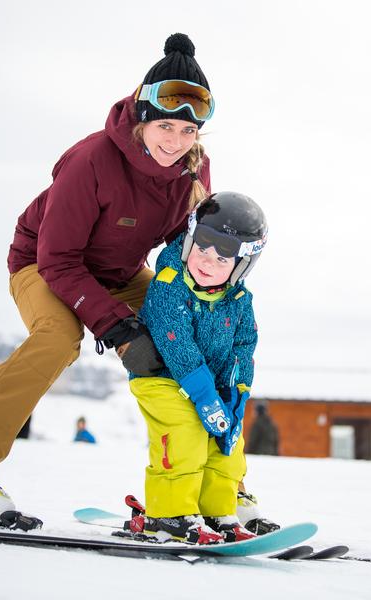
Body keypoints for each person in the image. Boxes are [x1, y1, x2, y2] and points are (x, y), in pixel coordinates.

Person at [0, 33, 216, 528]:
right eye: (166, 126)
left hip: (122, 271)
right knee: (58, 339)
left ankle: (211, 486)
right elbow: (58, 258)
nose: (175, 142)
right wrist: (118, 328)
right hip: (44, 264)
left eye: (188, 131)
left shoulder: (193, 173)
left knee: (190, 338)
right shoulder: (91, 160)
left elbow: (182, 250)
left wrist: (183, 306)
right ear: (142, 116)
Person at [126, 191, 268, 545]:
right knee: (186, 433)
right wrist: (205, 398)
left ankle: (217, 512)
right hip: (162, 379)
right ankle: (169, 515)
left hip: (211, 387)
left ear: (241, 265)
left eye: (222, 258)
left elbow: (243, 348)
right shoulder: (169, 284)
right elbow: (177, 343)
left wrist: (236, 397)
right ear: (190, 241)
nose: (208, 262)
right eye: (202, 249)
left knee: (228, 445)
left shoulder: (239, 300)